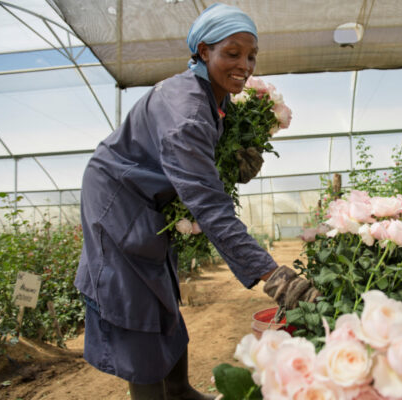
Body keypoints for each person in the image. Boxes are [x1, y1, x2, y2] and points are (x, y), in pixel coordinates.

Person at [76, 3, 318, 399]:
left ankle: (180, 390)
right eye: (232, 53)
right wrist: (271, 274)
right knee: (137, 302)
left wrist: (230, 158)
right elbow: (210, 206)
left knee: (161, 287)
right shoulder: (187, 110)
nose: (245, 64)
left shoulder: (208, 96)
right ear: (204, 52)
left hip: (146, 200)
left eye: (251, 55)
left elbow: (198, 171)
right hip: (118, 201)